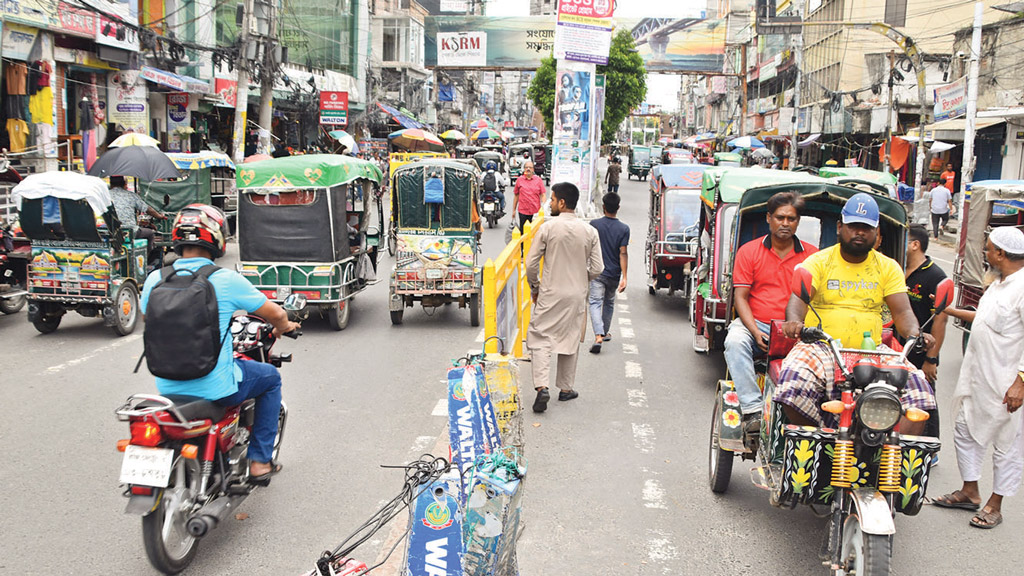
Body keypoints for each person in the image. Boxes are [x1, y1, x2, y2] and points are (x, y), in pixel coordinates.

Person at [141, 205, 301, 483]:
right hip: (216, 387)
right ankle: (260, 462)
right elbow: (275, 313)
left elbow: (149, 317)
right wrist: (284, 327)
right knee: (271, 378)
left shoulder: (155, 279)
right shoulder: (224, 279)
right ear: (216, 238)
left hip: (166, 386)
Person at [775, 193, 936, 432]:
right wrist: (795, 322)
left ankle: (891, 457)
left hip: (871, 351)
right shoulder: (819, 261)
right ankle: (820, 443)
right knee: (792, 382)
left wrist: (916, 334)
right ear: (840, 227)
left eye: (866, 228)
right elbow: (797, 300)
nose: (859, 233)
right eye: (853, 226)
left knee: (920, 391)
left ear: (876, 232)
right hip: (822, 347)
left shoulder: (888, 267)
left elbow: (903, 312)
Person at [933, 227, 1024, 529]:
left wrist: (1019, 382)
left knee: (1007, 444)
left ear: (1000, 253)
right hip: (977, 378)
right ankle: (970, 491)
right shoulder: (998, 284)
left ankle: (995, 504)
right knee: (964, 430)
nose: (985, 254)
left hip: (1006, 383)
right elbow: (985, 318)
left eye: (987, 249)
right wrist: (948, 309)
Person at [724, 192, 817, 434]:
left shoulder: (812, 256)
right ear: (769, 219)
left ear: (798, 222)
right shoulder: (749, 251)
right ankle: (753, 409)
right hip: (757, 325)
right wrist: (754, 331)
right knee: (734, 341)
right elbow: (740, 298)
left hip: (798, 331)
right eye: (780, 218)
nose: (785, 223)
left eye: (791, 219)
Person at [526, 182, 603, 413]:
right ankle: (566, 388)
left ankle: (542, 387)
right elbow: (598, 267)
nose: (549, 203)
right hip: (576, 294)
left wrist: (535, 287)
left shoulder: (548, 228)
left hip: (551, 292)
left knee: (541, 336)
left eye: (551, 200)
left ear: (561, 203)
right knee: (570, 337)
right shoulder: (590, 231)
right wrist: (582, 278)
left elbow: (530, 263)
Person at [899, 224, 948, 438]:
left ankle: (930, 443)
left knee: (925, 395)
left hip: (921, 348)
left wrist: (931, 358)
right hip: (897, 347)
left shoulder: (935, 275)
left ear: (915, 245)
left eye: (905, 240)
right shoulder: (897, 269)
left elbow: (941, 319)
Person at [588, 192, 629, 354]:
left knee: (595, 302)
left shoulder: (594, 224)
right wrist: (625, 277)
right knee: (609, 302)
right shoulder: (624, 229)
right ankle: (604, 333)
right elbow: (623, 253)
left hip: (597, 272)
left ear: (603, 207)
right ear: (618, 208)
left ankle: (598, 334)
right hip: (614, 274)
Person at [108, 175, 166, 260]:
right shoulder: (131, 195)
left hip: (110, 232)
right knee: (149, 234)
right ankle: (144, 263)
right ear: (124, 184)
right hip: (130, 232)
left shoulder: (105, 196)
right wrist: (159, 216)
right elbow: (147, 209)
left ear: (111, 184)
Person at [511, 161, 547, 232]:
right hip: (523, 211)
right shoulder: (519, 180)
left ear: (533, 169)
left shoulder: (538, 180)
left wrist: (544, 207)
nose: (528, 169)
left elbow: (543, 195)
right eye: (526, 167)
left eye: (530, 167)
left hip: (535, 212)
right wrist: (514, 210)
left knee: (535, 232)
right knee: (524, 232)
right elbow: (516, 195)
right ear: (524, 169)